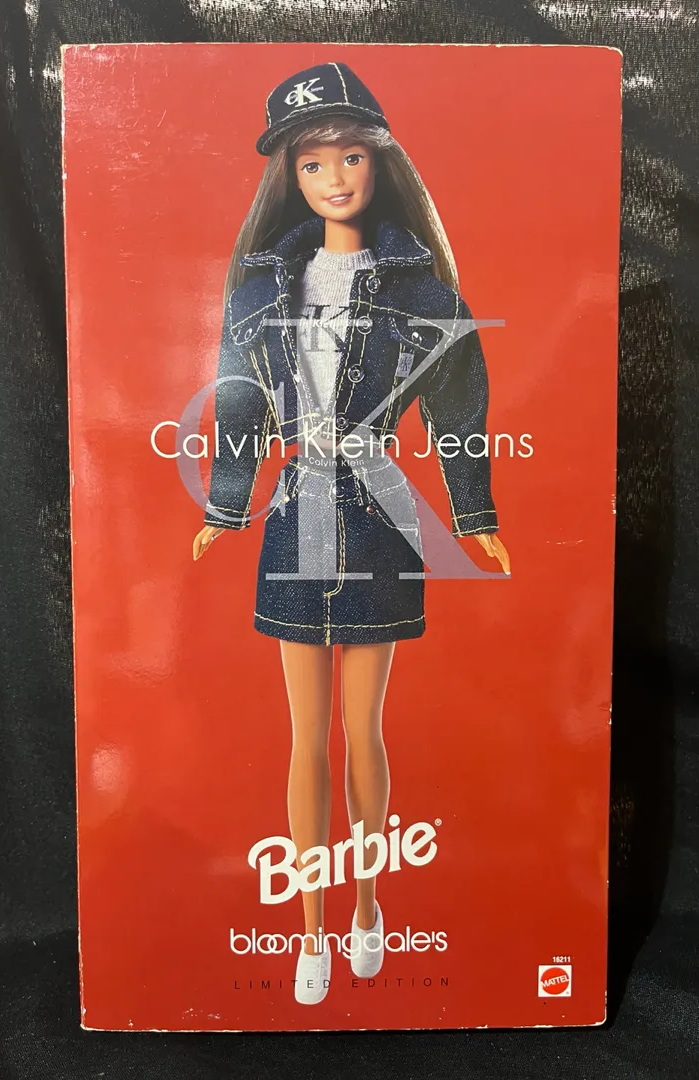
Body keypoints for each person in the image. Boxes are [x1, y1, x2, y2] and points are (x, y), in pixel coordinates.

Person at [192, 61, 510, 1005]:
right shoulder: (261, 286)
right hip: (296, 515)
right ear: (289, 176)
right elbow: (239, 402)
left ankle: (368, 906)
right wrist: (225, 505)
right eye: (312, 163)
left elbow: (461, 402)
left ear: (380, 163)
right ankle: (311, 931)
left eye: (351, 158)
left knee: (363, 733)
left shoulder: (421, 287)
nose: (334, 177)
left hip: (377, 514)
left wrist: (475, 513)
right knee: (306, 741)